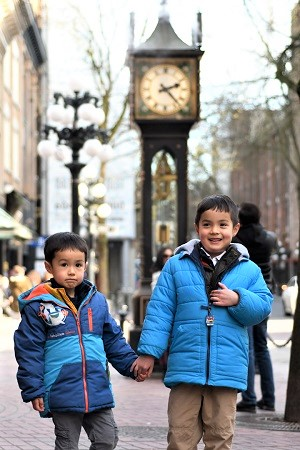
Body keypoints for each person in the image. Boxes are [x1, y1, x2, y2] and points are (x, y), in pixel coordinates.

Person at [131, 194, 273, 450]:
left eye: (222, 224)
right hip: (185, 369)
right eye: (207, 224)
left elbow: (262, 307)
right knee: (180, 437)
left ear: (235, 228)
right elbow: (160, 310)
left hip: (227, 371)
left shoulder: (249, 269)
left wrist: (237, 299)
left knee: (220, 438)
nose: (215, 231)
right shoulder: (176, 265)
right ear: (197, 228)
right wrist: (148, 353)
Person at [14, 232, 145, 450]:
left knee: (107, 439)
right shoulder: (39, 306)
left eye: (78, 265)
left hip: (97, 387)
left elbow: (113, 339)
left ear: (86, 265)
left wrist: (131, 365)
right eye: (64, 264)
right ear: (49, 267)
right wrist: (33, 389)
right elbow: (29, 350)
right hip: (60, 390)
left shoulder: (97, 302)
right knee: (67, 445)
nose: (72, 271)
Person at [234, 202, 277, 413]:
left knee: (248, 347)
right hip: (264, 294)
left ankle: (249, 397)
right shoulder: (269, 239)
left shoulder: (238, 240)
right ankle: (269, 399)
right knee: (262, 347)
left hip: (245, 296)